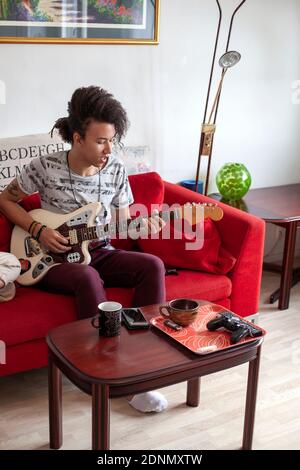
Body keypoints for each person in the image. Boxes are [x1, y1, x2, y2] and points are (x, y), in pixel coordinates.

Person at [0, 86, 168, 413]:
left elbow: (121, 224)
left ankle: (142, 366)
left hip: (98, 249)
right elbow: (5, 199)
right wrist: (39, 229)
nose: (109, 148)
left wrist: (141, 225)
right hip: (50, 261)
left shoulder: (117, 170)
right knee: (87, 277)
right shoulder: (45, 167)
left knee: (153, 266)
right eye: (101, 140)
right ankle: (103, 372)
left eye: (112, 140)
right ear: (78, 138)